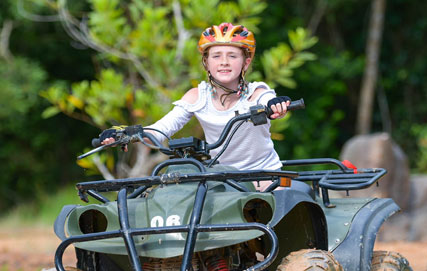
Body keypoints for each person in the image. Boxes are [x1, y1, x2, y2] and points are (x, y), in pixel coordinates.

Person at [100, 22, 291, 172]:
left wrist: (276, 105)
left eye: (232, 56)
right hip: (224, 179)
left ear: (246, 62)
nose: (224, 62)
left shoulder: (255, 93)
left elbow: (268, 101)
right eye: (216, 56)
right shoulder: (198, 97)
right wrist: (124, 134)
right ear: (206, 63)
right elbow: (160, 130)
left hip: (265, 176)